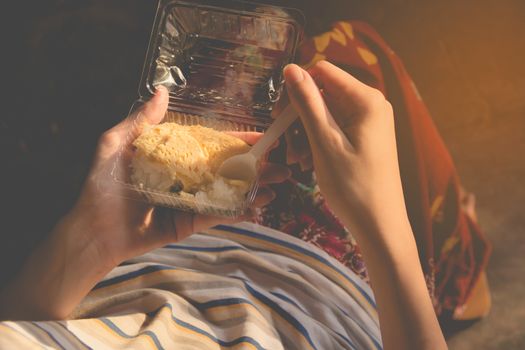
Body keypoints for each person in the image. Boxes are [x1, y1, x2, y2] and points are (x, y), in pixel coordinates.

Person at [0, 61, 447, 349]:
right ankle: (459, 280)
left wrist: (93, 238)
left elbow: (17, 330)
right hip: (341, 280)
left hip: (141, 245)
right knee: (363, 59)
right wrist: (386, 227)